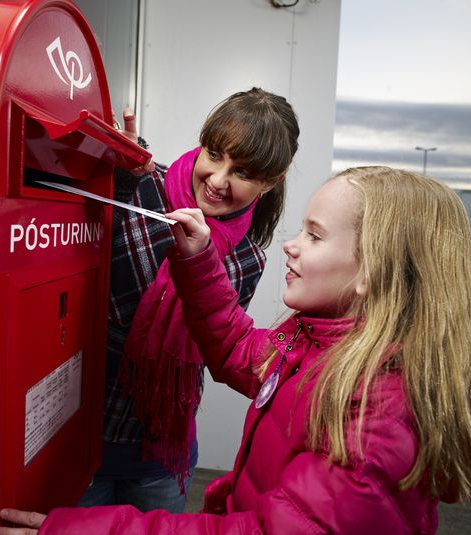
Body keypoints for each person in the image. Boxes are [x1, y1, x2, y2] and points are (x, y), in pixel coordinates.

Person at [0, 167, 471, 534]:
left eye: (315, 236)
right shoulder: (323, 344)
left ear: (373, 272)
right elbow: (238, 346)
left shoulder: (381, 411)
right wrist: (199, 261)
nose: (292, 244)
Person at [79, 87, 300, 513]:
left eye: (243, 172)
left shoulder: (248, 259)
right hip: (82, 435)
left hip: (160, 451)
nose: (218, 180)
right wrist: (116, 171)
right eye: (215, 154)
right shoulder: (142, 187)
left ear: (269, 183)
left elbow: (213, 347)